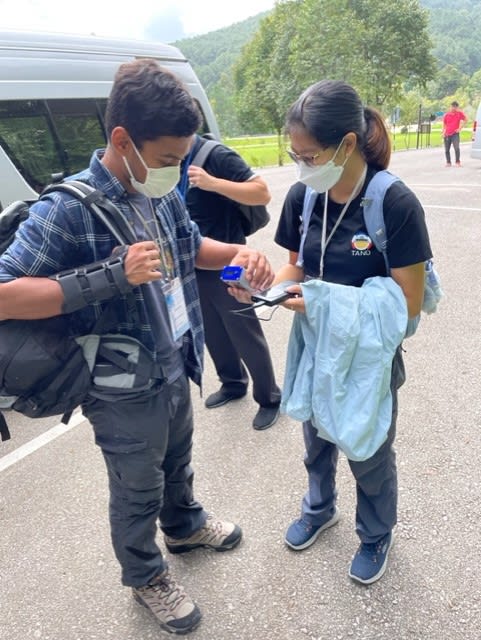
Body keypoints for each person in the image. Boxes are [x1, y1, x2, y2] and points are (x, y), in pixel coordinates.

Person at [0, 59, 274, 635]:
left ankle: (183, 524)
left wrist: (239, 256)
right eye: (169, 158)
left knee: (177, 458)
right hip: (117, 381)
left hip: (175, 356)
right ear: (122, 140)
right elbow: (4, 294)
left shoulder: (161, 191)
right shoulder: (67, 209)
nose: (175, 170)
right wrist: (108, 276)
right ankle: (144, 574)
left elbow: (191, 245)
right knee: (136, 485)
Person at [253, 79, 431, 585]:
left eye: (308, 155)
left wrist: (323, 302)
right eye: (295, 154)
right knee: (315, 435)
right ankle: (319, 506)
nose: (301, 164)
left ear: (347, 144)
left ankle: (375, 533)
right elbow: (296, 268)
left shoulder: (392, 203)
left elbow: (407, 303)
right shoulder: (303, 197)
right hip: (317, 346)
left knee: (367, 447)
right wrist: (266, 285)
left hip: (370, 357)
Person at [177, 134, 281, 430]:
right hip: (193, 261)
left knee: (241, 325)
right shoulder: (170, 160)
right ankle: (233, 382)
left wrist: (213, 183)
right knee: (210, 326)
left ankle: (269, 396)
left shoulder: (215, 154)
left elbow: (261, 193)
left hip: (229, 259)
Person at [442, 100, 467, 167]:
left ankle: (457, 162)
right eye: (453, 107)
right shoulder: (446, 115)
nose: (454, 108)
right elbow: (444, 124)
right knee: (447, 150)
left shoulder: (459, 113)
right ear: (451, 107)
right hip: (447, 134)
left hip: (455, 134)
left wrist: (460, 128)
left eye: (455, 107)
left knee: (457, 148)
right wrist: (443, 132)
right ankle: (448, 162)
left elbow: (465, 119)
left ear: (457, 107)